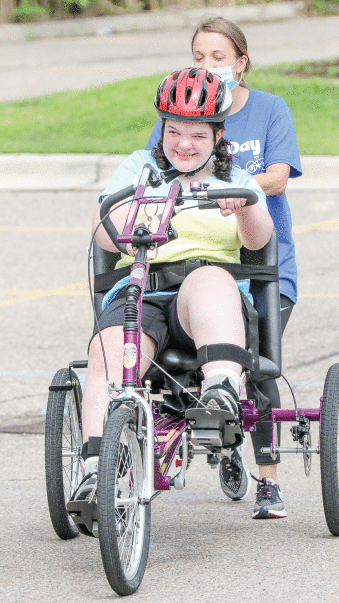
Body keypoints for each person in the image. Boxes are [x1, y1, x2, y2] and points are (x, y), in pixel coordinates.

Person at [76, 67, 274, 510]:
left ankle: (220, 389)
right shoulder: (139, 168)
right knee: (108, 349)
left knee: (206, 278)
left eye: (197, 136)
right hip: (142, 289)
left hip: (206, 299)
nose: (183, 144)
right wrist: (133, 212)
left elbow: (260, 239)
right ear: (162, 130)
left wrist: (244, 207)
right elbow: (103, 233)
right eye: (173, 132)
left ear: (218, 137)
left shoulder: (235, 176)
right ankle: (93, 472)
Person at [146, 17, 302, 518]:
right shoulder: (181, 107)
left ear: (241, 61)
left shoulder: (270, 109)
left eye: (218, 58)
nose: (207, 66)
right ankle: (218, 436)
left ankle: (269, 478)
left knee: (254, 360)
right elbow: (157, 166)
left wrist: (227, 187)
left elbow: (278, 176)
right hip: (193, 259)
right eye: (198, 57)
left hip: (257, 260)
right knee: (188, 357)